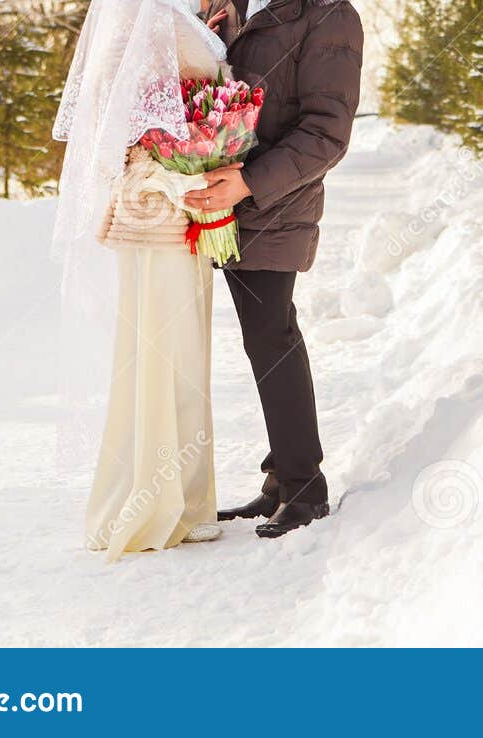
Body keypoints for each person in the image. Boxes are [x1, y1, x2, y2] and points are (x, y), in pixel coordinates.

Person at [52, 0, 231, 560]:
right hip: (161, 204)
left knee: (178, 352)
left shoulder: (167, 14)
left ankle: (188, 497)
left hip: (179, 204)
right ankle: (154, 497)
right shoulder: (147, 12)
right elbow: (132, 119)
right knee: (162, 352)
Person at [183, 0, 363, 537]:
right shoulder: (229, 5)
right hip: (218, 198)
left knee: (271, 333)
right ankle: (283, 479)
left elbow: (327, 132)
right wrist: (203, 41)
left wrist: (248, 183)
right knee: (263, 337)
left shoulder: (329, 15)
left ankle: (306, 489)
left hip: (275, 201)